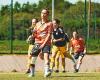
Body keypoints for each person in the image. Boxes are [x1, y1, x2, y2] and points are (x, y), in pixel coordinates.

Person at [28, 8, 53, 77]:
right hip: (37, 43)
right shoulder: (37, 24)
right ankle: (32, 73)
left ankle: (46, 72)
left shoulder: (50, 23)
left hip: (46, 43)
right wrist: (32, 35)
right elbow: (35, 33)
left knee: (46, 57)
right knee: (32, 59)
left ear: (48, 15)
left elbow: (49, 35)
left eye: (45, 13)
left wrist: (43, 44)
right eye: (42, 13)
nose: (43, 14)